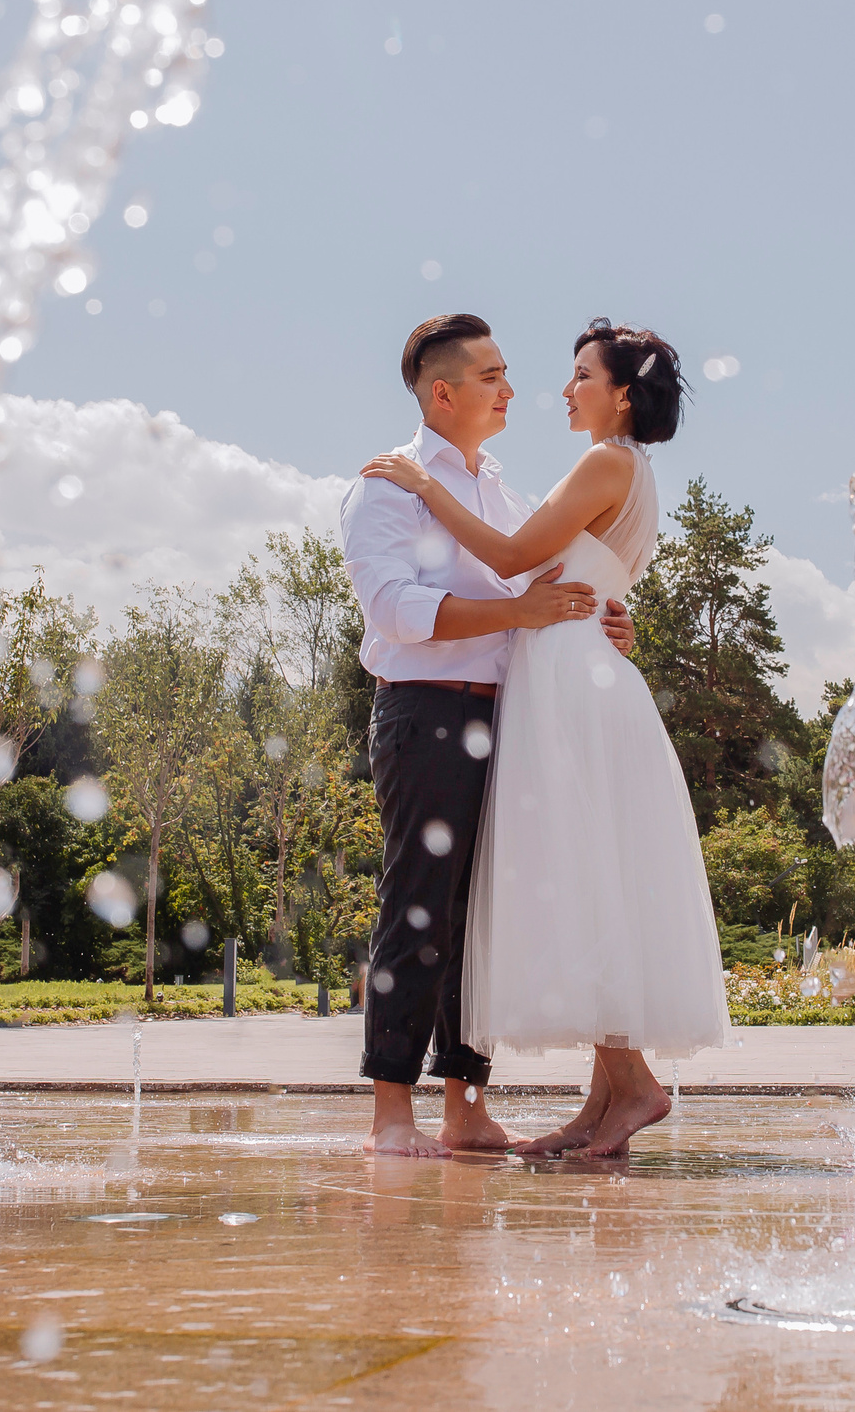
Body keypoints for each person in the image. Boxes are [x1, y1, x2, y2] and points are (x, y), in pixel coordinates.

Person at [362, 317, 730, 1156]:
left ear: (623, 393)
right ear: (443, 389)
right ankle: (604, 1103)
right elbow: (542, 574)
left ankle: (621, 1089)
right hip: (499, 693)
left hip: (557, 686)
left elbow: (514, 553)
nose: (549, 390)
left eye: (581, 376)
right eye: (497, 374)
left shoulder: (581, 468)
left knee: (574, 872)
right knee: (557, 877)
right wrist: (601, 613)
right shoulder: (610, 468)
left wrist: (430, 488)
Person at [338, 314, 638, 1158]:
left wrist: (603, 623)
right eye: (492, 376)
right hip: (425, 712)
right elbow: (395, 610)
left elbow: (554, 583)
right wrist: (519, 610)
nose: (512, 390)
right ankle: (390, 1112)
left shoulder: (504, 493)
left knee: (482, 917)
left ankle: (464, 1105)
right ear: (444, 392)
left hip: (510, 716)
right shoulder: (385, 486)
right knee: (421, 903)